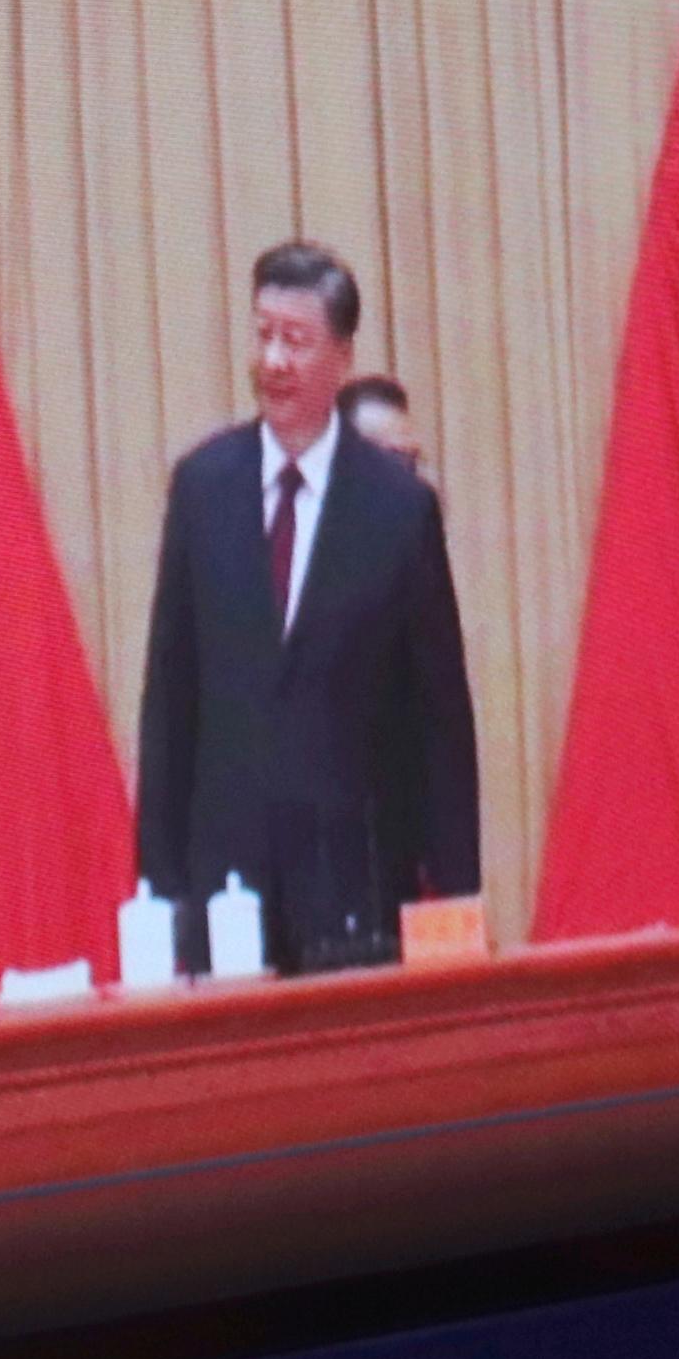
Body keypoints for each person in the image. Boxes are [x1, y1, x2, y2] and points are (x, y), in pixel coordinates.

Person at [133, 242, 477, 972]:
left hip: (357, 893)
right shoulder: (202, 489)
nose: (274, 360)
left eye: (295, 339)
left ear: (342, 357)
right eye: (263, 334)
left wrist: (453, 900)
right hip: (224, 895)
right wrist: (160, 895)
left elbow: (440, 724)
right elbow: (170, 702)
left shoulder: (397, 509)